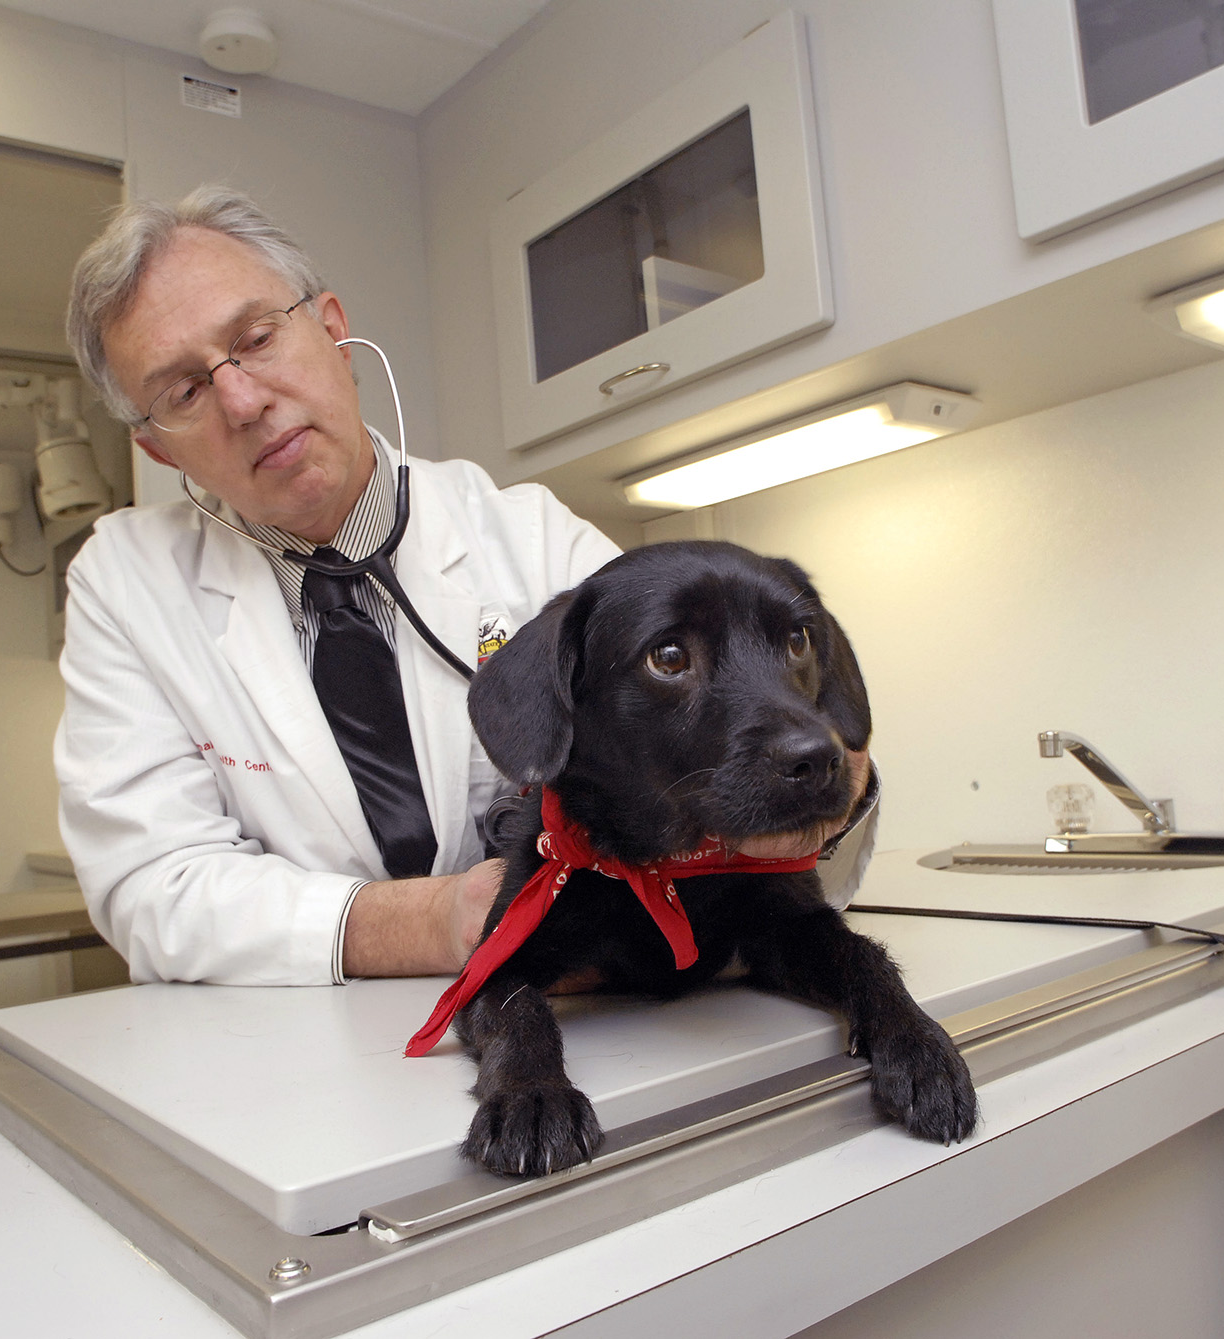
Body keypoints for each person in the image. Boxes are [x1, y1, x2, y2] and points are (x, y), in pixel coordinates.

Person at [55, 184, 872, 987]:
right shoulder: (124, 584)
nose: (241, 398)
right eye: (184, 390)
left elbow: (706, 775)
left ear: (334, 331)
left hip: (561, 1032)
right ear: (161, 452)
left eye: (258, 337)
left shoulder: (531, 537)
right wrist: (433, 919)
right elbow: (152, 889)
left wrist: (818, 797)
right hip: (293, 1049)